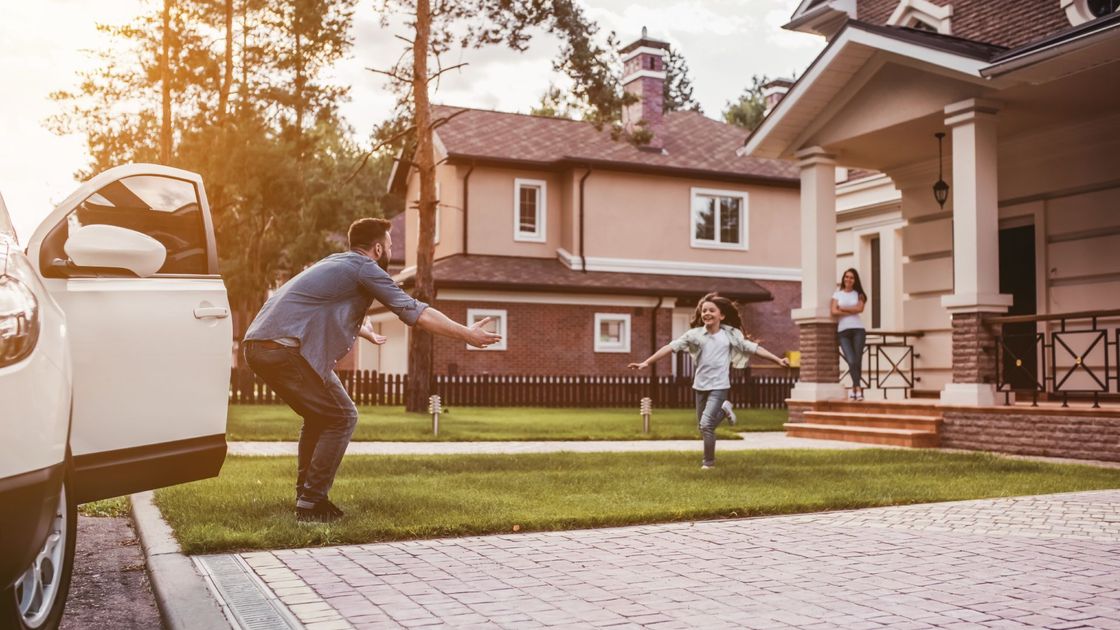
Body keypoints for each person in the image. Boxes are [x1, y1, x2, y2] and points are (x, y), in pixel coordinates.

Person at [242, 217, 501, 523]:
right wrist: (466, 334)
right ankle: (311, 502)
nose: (391, 251)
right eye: (390, 245)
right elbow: (414, 311)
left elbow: (315, 306)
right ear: (378, 248)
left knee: (320, 416)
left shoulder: (335, 263)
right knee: (341, 417)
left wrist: (363, 331)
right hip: (285, 350)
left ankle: (308, 497)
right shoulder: (366, 268)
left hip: (261, 346)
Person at [629, 296, 789, 470]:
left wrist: (777, 360)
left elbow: (755, 349)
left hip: (719, 386)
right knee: (703, 426)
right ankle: (725, 409)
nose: (707, 313)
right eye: (704, 310)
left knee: (706, 425)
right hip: (700, 385)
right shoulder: (695, 335)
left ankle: (708, 463)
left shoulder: (730, 336)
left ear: (722, 316)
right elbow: (670, 347)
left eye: (711, 310)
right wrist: (647, 362)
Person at [831, 268, 868, 401]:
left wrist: (844, 309)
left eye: (851, 277)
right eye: (846, 277)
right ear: (843, 279)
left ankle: (855, 388)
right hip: (843, 332)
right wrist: (852, 310)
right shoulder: (837, 294)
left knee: (857, 360)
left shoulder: (859, 294)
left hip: (858, 330)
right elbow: (834, 311)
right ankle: (857, 387)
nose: (848, 279)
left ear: (855, 280)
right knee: (851, 360)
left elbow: (860, 309)